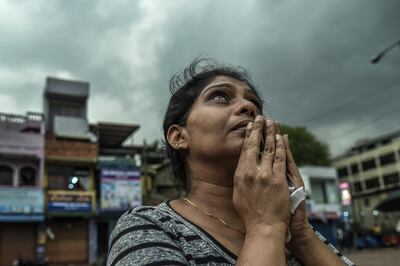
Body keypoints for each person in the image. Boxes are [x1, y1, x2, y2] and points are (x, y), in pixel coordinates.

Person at [107, 58, 355, 266]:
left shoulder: (294, 231)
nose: (248, 106)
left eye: (255, 105)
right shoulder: (148, 227)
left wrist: (300, 234)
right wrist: (264, 226)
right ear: (179, 136)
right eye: (220, 97)